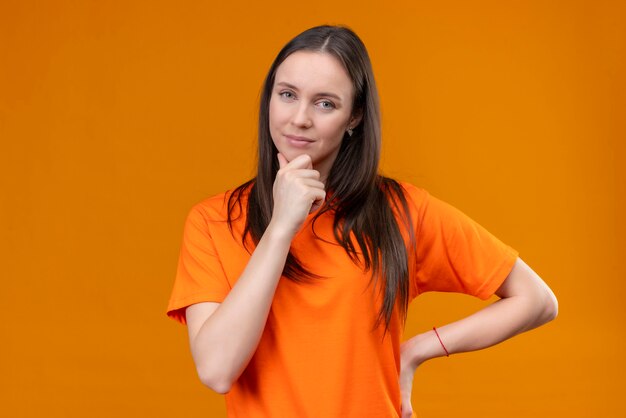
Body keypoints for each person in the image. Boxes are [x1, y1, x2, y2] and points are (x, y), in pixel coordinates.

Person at [166, 25, 558, 418]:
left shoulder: (402, 212)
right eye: (287, 95)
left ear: (353, 116)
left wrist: (417, 350)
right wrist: (282, 225)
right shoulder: (214, 220)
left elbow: (537, 301)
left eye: (325, 104)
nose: (299, 118)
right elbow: (217, 370)